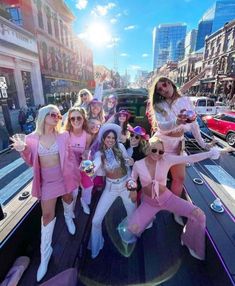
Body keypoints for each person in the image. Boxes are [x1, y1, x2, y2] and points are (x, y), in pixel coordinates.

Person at [118, 136, 228, 260]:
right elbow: (132, 178)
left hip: (167, 198)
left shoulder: (166, 159)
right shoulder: (138, 165)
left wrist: (211, 153)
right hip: (149, 203)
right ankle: (147, 219)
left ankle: (188, 239)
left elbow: (189, 158)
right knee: (131, 230)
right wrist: (131, 185)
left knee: (199, 215)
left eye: (161, 151)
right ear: (148, 148)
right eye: (154, 150)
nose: (157, 154)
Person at [11, 105, 77, 282]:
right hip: (47, 182)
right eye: (53, 114)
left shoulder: (63, 136)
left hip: (64, 178)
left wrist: (76, 173)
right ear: (43, 116)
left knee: (68, 198)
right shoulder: (32, 139)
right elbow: (31, 161)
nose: (57, 117)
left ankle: (69, 217)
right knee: (47, 216)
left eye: (58, 115)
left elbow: (69, 158)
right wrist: (22, 149)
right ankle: (45, 257)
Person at [148, 76, 215, 225]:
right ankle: (150, 212)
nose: (164, 89)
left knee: (179, 179)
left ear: (171, 83)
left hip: (178, 144)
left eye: (165, 85)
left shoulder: (185, 101)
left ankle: (174, 210)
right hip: (161, 145)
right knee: (157, 181)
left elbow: (194, 125)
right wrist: (177, 121)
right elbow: (162, 126)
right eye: (159, 89)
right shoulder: (159, 104)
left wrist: (203, 144)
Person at [89, 123, 136, 258]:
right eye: (108, 137)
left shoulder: (120, 147)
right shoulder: (100, 153)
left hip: (125, 185)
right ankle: (97, 246)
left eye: (113, 138)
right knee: (96, 221)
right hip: (110, 188)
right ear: (103, 138)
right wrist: (90, 167)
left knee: (132, 213)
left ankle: (128, 238)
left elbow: (127, 161)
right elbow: (96, 164)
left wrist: (130, 161)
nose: (110, 140)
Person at [64, 107, 93, 215]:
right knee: (74, 190)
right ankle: (70, 210)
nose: (76, 121)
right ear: (69, 121)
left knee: (89, 184)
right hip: (70, 165)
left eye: (79, 118)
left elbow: (87, 149)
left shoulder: (88, 135)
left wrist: (86, 154)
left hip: (83, 161)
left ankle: (84, 201)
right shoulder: (66, 134)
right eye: (72, 119)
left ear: (84, 119)